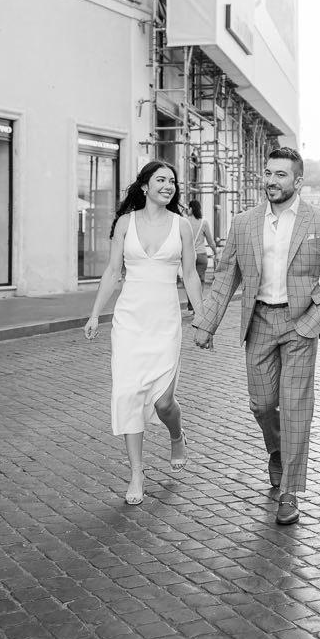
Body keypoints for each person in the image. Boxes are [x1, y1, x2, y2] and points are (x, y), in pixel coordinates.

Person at [192, 147, 320, 526]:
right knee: (262, 405)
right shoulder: (244, 223)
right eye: (268, 173)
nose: (271, 180)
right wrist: (206, 323)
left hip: (300, 325)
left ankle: (289, 492)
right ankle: (277, 451)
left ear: (297, 181)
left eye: (280, 174)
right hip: (258, 321)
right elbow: (227, 276)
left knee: (295, 407)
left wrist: (315, 321)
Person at [83, 161, 204, 506]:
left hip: (165, 322)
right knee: (128, 394)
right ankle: (137, 473)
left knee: (163, 401)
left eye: (172, 181)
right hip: (129, 321)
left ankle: (176, 434)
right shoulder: (126, 223)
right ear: (145, 186)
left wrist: (202, 317)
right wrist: (95, 314)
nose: (168, 185)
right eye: (161, 180)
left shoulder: (182, 226)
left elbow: (191, 276)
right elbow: (111, 271)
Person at [185, 199, 218, 314]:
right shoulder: (204, 222)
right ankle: (198, 306)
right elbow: (210, 240)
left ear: (191, 209)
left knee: (189, 280)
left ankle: (190, 307)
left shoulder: (185, 222)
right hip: (202, 255)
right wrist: (216, 251)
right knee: (200, 281)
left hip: (189, 256)